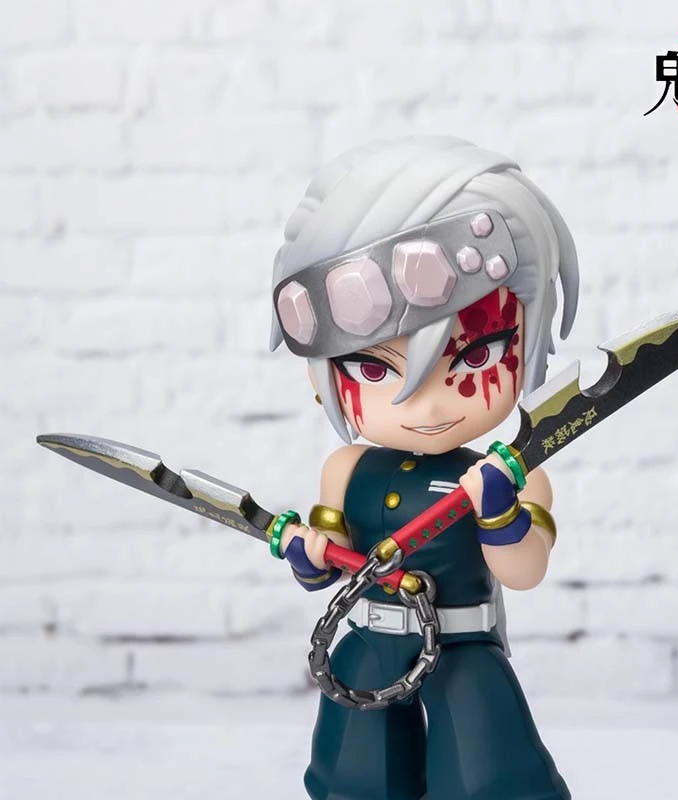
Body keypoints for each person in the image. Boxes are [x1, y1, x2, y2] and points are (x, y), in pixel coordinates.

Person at [268, 136, 579, 800]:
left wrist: (497, 511)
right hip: (368, 645)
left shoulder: (518, 475)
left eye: (475, 355)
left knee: (488, 779)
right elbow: (327, 569)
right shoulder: (346, 469)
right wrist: (309, 552)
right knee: (355, 778)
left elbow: (524, 572)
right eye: (374, 369)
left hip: (465, 653)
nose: (427, 403)